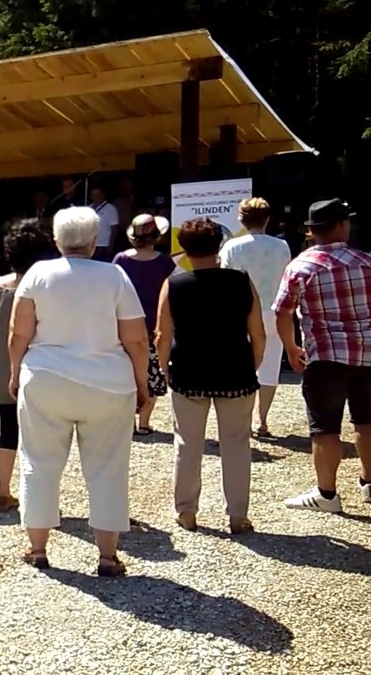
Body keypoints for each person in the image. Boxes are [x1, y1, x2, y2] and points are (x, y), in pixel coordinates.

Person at [9, 206, 149, 576]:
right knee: (107, 469)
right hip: (108, 383)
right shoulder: (115, 275)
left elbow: (18, 332)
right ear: (94, 240)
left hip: (46, 378)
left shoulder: (38, 273)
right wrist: (141, 382)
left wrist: (13, 372)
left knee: (39, 463)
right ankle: (106, 556)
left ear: (57, 241)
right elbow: (135, 338)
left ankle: (37, 548)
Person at [274, 199, 371, 512]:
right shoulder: (370, 263)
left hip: (324, 354)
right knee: (367, 417)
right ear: (341, 226)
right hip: (368, 352)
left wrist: (291, 347)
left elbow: (283, 313)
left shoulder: (300, 266)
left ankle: (327, 495)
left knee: (325, 426)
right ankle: (370, 483)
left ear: (312, 232)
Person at [156, 218, 262, 534]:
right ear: (219, 246)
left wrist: (162, 370)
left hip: (188, 371)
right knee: (237, 444)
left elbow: (163, 335)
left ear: (185, 250)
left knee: (187, 443)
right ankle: (237, 515)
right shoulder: (242, 281)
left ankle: (187, 512)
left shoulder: (174, 285)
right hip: (236, 370)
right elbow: (258, 332)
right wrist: (252, 365)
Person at [0, 218, 54, 511]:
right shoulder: (44, 289)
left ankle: (3, 490)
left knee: (7, 429)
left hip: (1, 368)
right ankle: (38, 496)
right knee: (41, 436)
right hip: (37, 368)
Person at [220, 197, 293, 437]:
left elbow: (226, 281)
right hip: (274, 310)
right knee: (270, 365)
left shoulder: (231, 246)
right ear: (268, 219)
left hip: (241, 312)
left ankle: (244, 418)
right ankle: (262, 420)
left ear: (241, 219)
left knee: (242, 366)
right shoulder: (281, 246)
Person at [112, 214, 176, 435]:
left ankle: (127, 420)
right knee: (153, 374)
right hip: (155, 325)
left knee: (125, 373)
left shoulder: (120, 260)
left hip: (124, 325)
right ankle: (145, 422)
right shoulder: (165, 262)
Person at [89, 186, 119, 261]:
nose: (95, 197)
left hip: (104, 245)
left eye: (98, 194)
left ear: (102, 195)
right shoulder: (88, 208)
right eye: (93, 195)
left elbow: (114, 229)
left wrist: (111, 245)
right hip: (91, 246)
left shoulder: (111, 208)